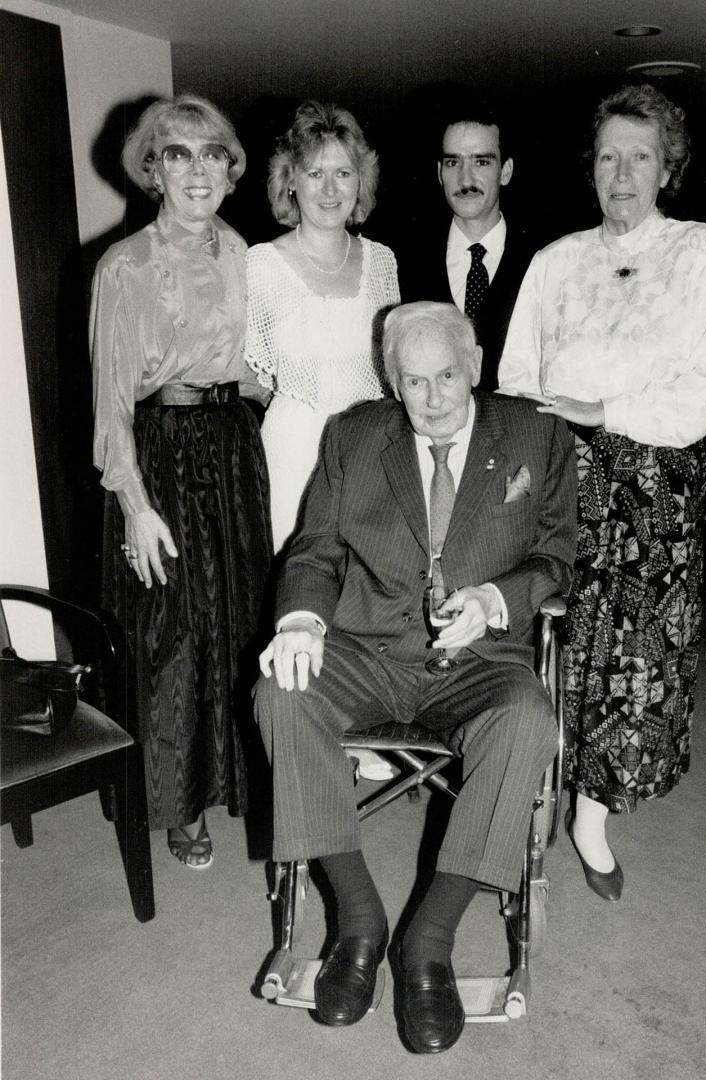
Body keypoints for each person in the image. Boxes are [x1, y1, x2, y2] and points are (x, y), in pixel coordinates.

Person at [255, 301, 576, 1053]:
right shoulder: (355, 435)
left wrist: (499, 600)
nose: (431, 400)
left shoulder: (536, 434)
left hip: (479, 659)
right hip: (368, 649)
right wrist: (300, 620)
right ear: (388, 380)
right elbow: (315, 550)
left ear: (475, 364)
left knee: (529, 718)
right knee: (282, 693)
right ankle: (360, 924)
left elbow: (557, 556)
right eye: (412, 381)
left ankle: (426, 942)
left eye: (446, 378)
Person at [499, 84, 706, 900]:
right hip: (562, 475)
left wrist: (607, 411)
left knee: (635, 656)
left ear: (667, 166)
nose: (622, 172)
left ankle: (592, 818)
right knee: (548, 645)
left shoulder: (705, 254)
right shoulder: (554, 262)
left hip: (655, 482)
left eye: (640, 156)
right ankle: (522, 797)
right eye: (608, 156)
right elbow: (516, 379)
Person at [90, 94, 273, 870]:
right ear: (153, 170)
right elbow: (108, 402)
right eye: (177, 154)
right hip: (158, 451)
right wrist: (133, 504)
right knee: (171, 633)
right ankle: (178, 804)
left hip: (232, 447)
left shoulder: (247, 255)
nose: (196, 171)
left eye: (211, 156)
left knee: (238, 621)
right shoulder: (123, 265)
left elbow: (263, 363)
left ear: (231, 172)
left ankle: (239, 782)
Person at [245, 99, 400, 553]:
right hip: (293, 454)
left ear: (360, 182)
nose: (330, 189)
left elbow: (393, 369)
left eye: (343, 173)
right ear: (290, 180)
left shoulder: (382, 262)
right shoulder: (261, 264)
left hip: (370, 451)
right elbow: (248, 376)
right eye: (315, 173)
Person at [397, 100, 534, 391]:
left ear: (506, 171)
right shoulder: (404, 261)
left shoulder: (541, 259)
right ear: (439, 172)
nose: (465, 178)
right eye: (453, 162)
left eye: (481, 162)